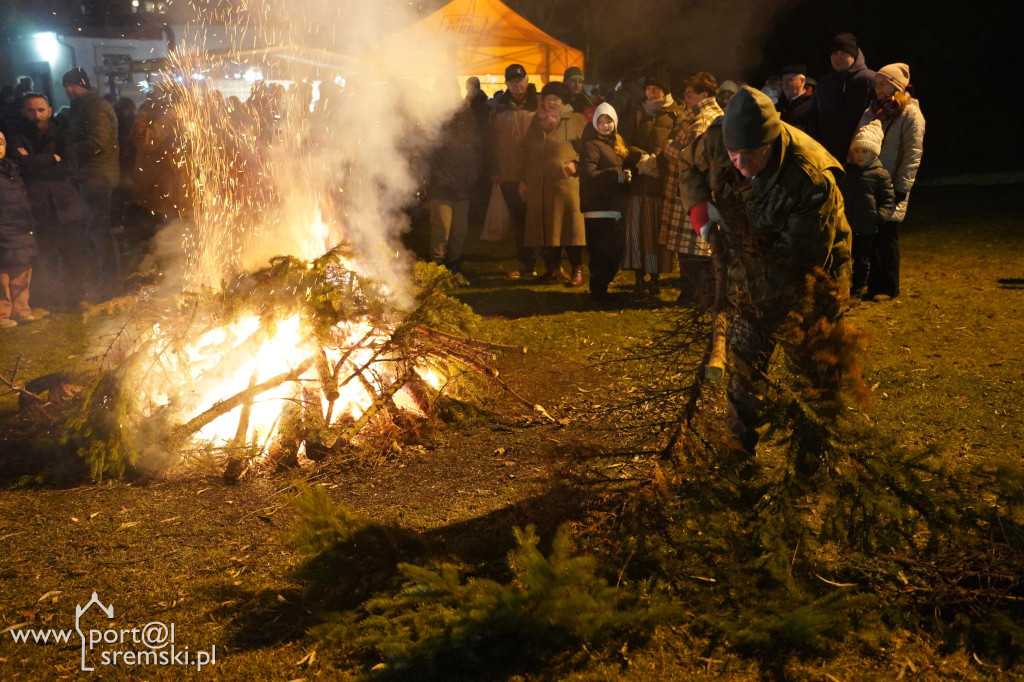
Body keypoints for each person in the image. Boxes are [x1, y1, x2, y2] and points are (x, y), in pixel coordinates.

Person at [678, 86, 852, 455]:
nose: (740, 163)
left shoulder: (809, 177)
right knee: (744, 358)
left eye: (750, 155)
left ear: (770, 144)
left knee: (809, 364)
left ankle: (813, 452)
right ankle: (738, 450)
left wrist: (751, 305)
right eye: (733, 154)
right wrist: (699, 209)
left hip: (813, 273)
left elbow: (799, 263)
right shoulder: (717, 140)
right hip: (754, 259)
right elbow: (687, 165)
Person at [7, 93, 89, 310]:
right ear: (23, 112)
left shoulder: (63, 135)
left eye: (41, 110)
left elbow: (69, 167)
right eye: (31, 110)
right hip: (37, 207)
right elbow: (22, 166)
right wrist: (53, 158)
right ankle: (45, 303)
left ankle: (76, 298)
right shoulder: (17, 137)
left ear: (49, 111)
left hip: (66, 205)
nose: (37, 115)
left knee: (73, 255)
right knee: (43, 258)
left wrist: (34, 163)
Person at [858, 63, 925, 302]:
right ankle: (871, 284)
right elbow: (860, 136)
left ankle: (887, 286)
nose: (877, 88)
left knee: (886, 234)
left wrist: (901, 187)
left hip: (890, 182)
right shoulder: (874, 110)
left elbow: (912, 154)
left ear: (896, 86)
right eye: (876, 83)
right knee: (871, 233)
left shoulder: (910, 114)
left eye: (883, 83)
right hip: (870, 180)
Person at [659, 71, 724, 303]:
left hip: (691, 192)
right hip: (693, 191)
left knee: (693, 247)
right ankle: (694, 292)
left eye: (689, 94)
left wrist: (667, 147)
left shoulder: (703, 119)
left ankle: (696, 294)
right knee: (693, 246)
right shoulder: (703, 115)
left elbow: (691, 156)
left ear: (703, 95)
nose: (686, 99)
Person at [620, 67, 682, 297]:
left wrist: (658, 162)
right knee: (636, 231)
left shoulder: (676, 114)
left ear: (665, 90)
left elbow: (677, 144)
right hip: (638, 181)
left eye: (656, 88)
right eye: (648, 88)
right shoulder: (637, 110)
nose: (652, 93)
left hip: (661, 184)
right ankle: (639, 278)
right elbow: (623, 140)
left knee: (655, 233)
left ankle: (654, 280)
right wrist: (640, 157)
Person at [62, 67, 122, 301]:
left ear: (83, 85)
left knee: (99, 230)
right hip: (91, 175)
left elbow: (97, 142)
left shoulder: (95, 107)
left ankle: (110, 283)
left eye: (72, 86)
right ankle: (104, 280)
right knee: (95, 229)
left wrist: (68, 151)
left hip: (97, 176)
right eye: (66, 86)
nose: (68, 90)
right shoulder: (84, 106)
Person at [520, 81, 587, 285]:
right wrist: (523, 179)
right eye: (547, 99)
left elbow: (589, 149)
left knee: (571, 229)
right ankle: (554, 268)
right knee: (548, 229)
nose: (550, 103)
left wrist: (577, 164)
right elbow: (526, 150)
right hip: (541, 185)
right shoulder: (536, 121)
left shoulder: (576, 120)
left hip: (566, 185)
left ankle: (577, 269)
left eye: (555, 99)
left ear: (563, 101)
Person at [579, 102, 638, 301]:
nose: (605, 125)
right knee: (601, 253)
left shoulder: (615, 145)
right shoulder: (591, 145)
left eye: (609, 121)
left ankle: (601, 289)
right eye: (601, 122)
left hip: (613, 207)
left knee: (614, 251)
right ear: (595, 123)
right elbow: (589, 174)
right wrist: (616, 176)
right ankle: (598, 291)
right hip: (597, 208)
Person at [491, 63, 541, 278]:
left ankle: (549, 263)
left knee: (538, 218)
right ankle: (526, 263)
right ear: (507, 84)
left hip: (536, 172)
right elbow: (491, 141)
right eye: (512, 82)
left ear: (527, 81)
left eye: (520, 82)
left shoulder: (540, 102)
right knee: (519, 220)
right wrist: (495, 170)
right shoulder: (498, 106)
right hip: (509, 172)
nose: (517, 86)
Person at [426, 90, 482, 275]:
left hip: (463, 181)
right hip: (441, 183)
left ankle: (454, 262)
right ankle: (437, 264)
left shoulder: (467, 114)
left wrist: (473, 171)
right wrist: (437, 175)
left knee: (459, 229)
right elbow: (427, 149)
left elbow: (475, 144)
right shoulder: (434, 115)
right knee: (441, 229)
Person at [841, 120, 895, 301]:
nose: (859, 155)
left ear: (873, 152)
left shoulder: (880, 174)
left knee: (862, 261)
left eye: (864, 151)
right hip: (847, 224)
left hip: (866, 228)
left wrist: (879, 217)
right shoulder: (849, 172)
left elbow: (888, 200)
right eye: (856, 151)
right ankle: (842, 288)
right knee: (844, 258)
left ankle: (856, 291)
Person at [808, 32, 876, 163]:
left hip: (857, 156)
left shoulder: (868, 79)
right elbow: (814, 118)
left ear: (853, 55)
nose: (837, 58)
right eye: (834, 53)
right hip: (825, 155)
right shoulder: (825, 83)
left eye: (843, 53)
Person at [0, 131, 38, 328]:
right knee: (3, 274)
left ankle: (21, 310)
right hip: (3, 228)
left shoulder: (11, 169)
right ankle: (2, 314)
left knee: (21, 269)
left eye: (0, 143)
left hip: (19, 227)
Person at [776, 64, 813, 131]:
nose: (785, 85)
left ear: (802, 81)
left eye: (789, 81)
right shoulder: (778, 106)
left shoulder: (813, 105)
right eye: (783, 81)